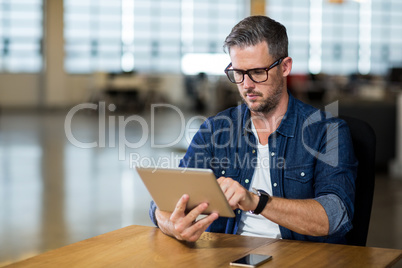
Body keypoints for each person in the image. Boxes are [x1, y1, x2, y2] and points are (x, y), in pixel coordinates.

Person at [149, 16, 357, 244]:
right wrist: (173, 225)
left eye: (257, 72)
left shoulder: (327, 131)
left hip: (299, 258)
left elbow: (335, 215)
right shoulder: (215, 130)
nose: (246, 85)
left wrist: (256, 202)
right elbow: (164, 204)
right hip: (229, 256)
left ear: (285, 67)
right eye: (238, 73)